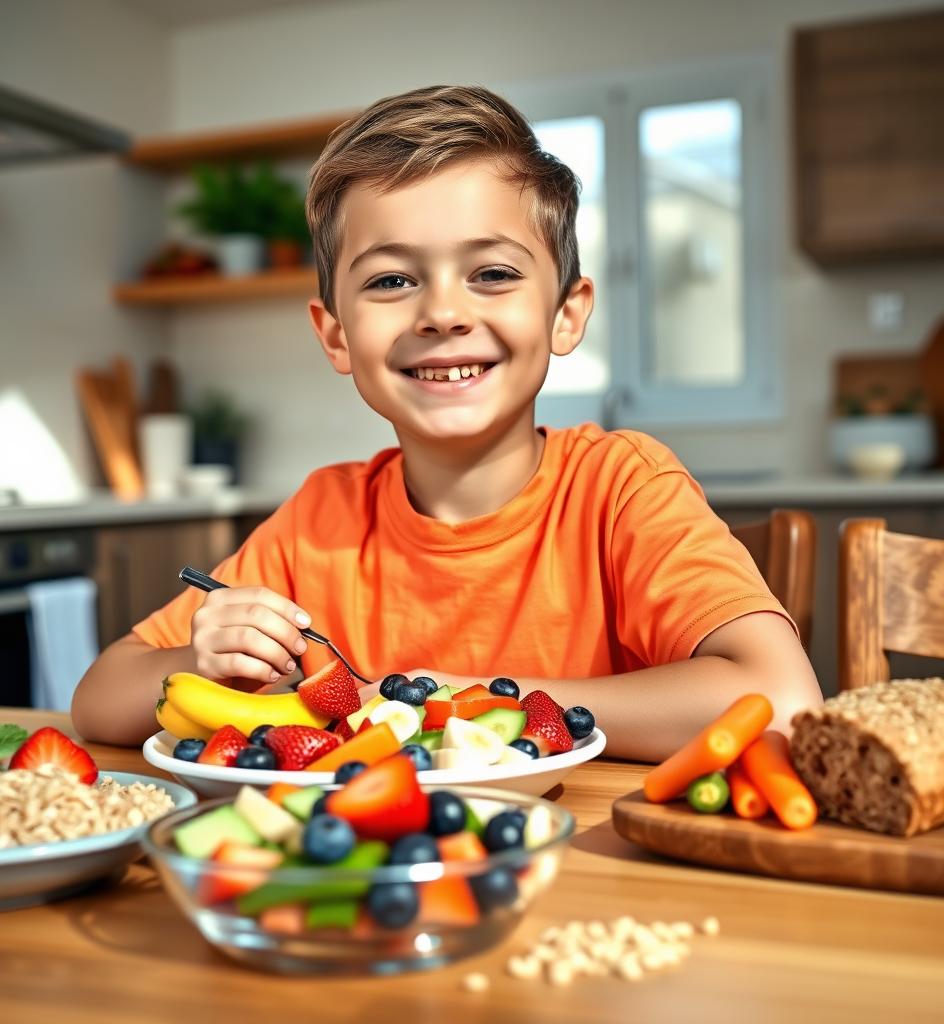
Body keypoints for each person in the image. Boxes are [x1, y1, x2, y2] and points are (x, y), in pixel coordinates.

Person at [72, 85, 821, 754]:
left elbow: (783, 704)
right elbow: (99, 699)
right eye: (393, 279)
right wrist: (202, 659)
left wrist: (453, 700)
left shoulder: (623, 487)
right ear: (336, 334)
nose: (443, 314)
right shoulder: (320, 520)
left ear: (566, 314)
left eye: (492, 274)